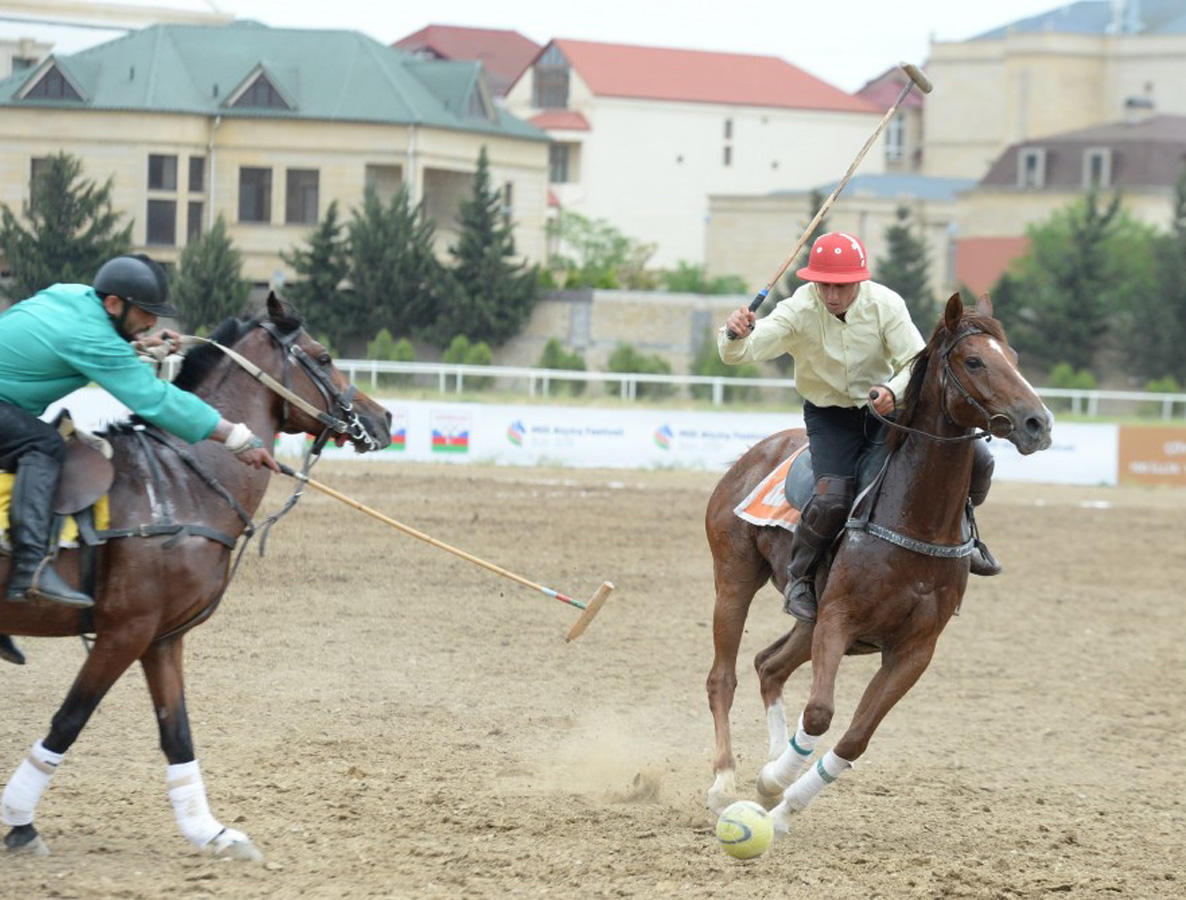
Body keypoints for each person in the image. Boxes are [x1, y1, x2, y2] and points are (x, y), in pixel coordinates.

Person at [719, 232, 999, 624]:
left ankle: (965, 538)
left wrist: (891, 390)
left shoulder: (886, 305)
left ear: (860, 281)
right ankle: (800, 577)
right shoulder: (797, 310)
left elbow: (913, 363)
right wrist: (735, 334)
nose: (832, 295)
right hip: (830, 416)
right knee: (832, 497)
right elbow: (743, 352)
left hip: (886, 407)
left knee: (974, 457)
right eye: (824, 285)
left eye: (842, 286)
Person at [0, 253, 280, 610]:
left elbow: (75, 343)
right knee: (44, 446)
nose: (152, 320)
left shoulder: (74, 296)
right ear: (114, 304)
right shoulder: (91, 337)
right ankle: (29, 569)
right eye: (145, 312)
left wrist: (133, 346)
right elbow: (155, 400)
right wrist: (236, 437)